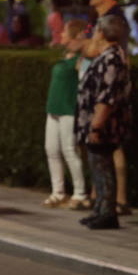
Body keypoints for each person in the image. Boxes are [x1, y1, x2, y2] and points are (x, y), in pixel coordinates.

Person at [76, 14, 132, 230]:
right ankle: (100, 208)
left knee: (103, 165)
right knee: (97, 164)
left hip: (105, 124)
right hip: (97, 121)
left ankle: (107, 211)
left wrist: (96, 125)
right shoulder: (109, 55)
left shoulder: (112, 58)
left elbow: (107, 96)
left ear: (102, 32)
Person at [88, 0, 131, 214]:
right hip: (103, 84)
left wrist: (83, 46)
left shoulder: (114, 18)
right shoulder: (104, 16)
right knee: (102, 148)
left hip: (110, 87)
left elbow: (96, 50)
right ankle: (102, 199)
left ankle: (117, 200)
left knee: (111, 144)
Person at [43, 18, 89, 209]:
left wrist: (82, 41)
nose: (61, 35)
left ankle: (80, 193)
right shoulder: (66, 55)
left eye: (64, 32)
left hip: (69, 109)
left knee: (69, 150)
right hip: (54, 108)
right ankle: (58, 192)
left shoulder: (81, 59)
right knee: (51, 150)